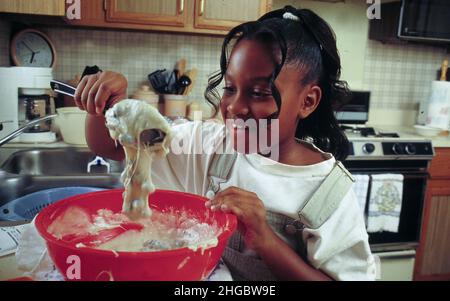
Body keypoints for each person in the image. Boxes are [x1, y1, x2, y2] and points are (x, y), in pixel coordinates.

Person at [74, 6, 376, 281]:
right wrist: (104, 106)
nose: (235, 107)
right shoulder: (211, 145)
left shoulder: (327, 193)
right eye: (230, 88)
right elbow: (113, 148)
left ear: (308, 101)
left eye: (259, 93)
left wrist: (266, 239)